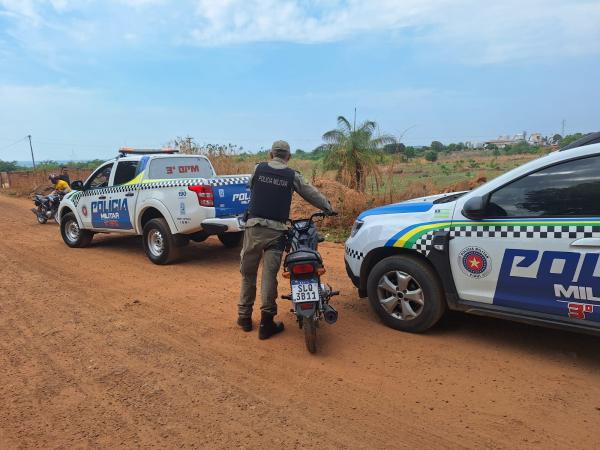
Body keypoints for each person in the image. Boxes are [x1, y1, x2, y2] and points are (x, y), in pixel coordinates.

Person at [238, 140, 334, 339]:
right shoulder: (292, 175)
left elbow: (251, 186)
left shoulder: (258, 169)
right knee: (268, 277)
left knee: (248, 274)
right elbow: (311, 193)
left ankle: (244, 318)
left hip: (253, 230)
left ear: (271, 154)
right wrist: (328, 207)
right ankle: (266, 324)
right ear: (288, 157)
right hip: (276, 233)